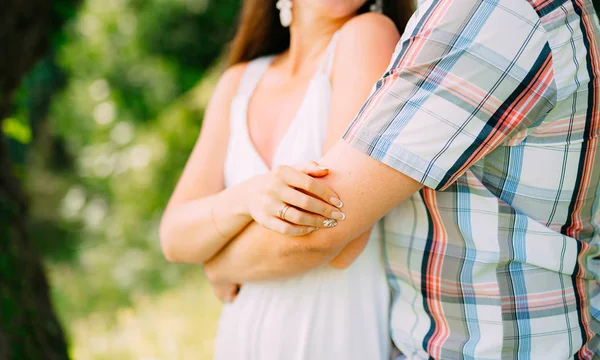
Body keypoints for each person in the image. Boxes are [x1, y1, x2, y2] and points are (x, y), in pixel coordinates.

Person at [203, 0, 600, 358]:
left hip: (494, 346)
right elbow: (173, 231)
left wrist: (220, 263)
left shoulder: (487, 13)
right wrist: (239, 202)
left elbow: (326, 229)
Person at [160, 0, 415, 359]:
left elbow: (335, 238)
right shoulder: (240, 82)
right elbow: (174, 236)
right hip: (241, 338)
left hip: (327, 338)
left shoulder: (367, 35)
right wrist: (247, 197)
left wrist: (218, 262)